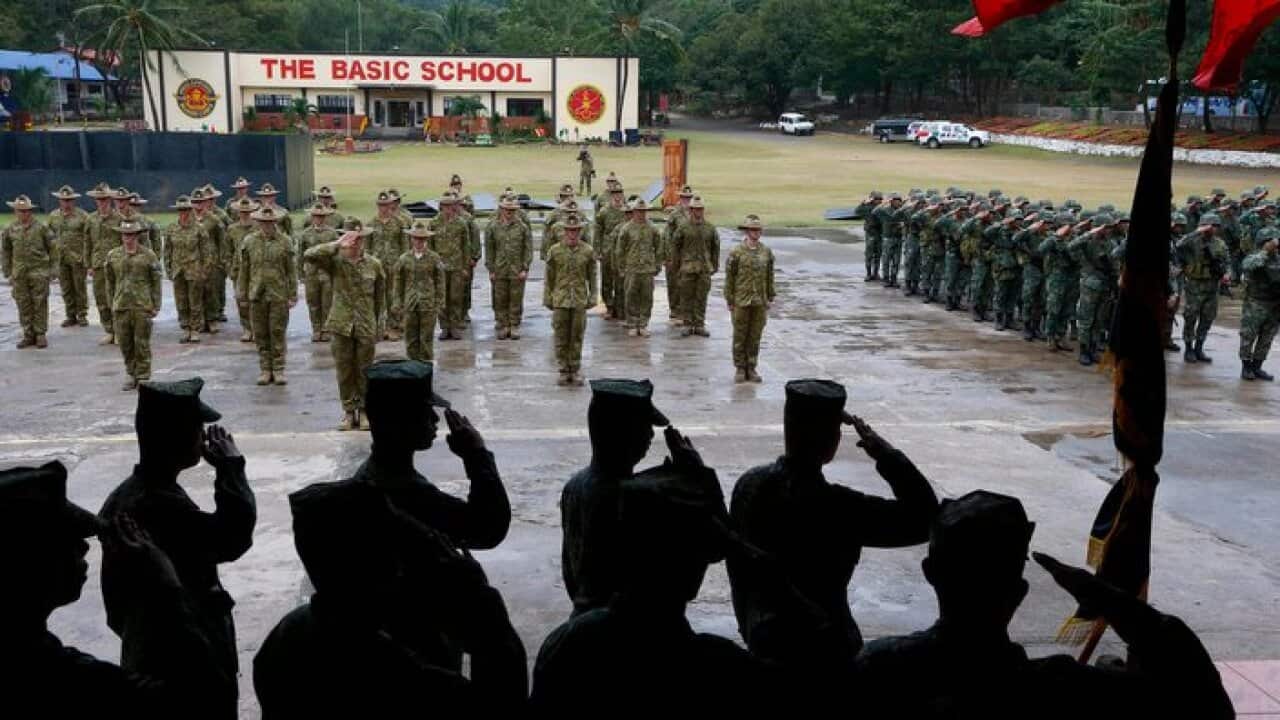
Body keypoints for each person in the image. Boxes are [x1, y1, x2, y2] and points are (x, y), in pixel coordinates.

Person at [855, 491, 1233, 719]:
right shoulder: (1064, 691)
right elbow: (1203, 701)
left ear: (930, 573)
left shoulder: (876, 670)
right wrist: (1107, 597)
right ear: (1020, 593)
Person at [534, 446, 788, 715]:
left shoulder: (565, 650)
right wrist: (765, 573)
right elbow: (817, 673)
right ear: (695, 576)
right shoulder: (723, 670)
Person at [254, 478, 527, 718]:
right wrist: (485, 614)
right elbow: (501, 706)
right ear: (380, 567)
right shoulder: (389, 674)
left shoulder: (287, 634)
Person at [0, 462, 235, 719]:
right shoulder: (55, 676)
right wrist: (165, 589)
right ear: (24, 560)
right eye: (65, 539)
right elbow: (207, 700)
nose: (84, 547)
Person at [729, 381, 938, 666]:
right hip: (828, 650)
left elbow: (739, 576)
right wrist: (884, 453)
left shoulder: (748, 486)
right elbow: (924, 517)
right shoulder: (840, 508)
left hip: (764, 639)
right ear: (832, 441)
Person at [98, 379, 255, 720]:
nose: (203, 438)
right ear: (175, 437)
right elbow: (232, 538)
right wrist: (231, 470)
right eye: (196, 429)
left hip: (152, 650)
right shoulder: (159, 505)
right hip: (184, 664)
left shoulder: (125, 496)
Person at [560, 379, 671, 615]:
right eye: (643, 426)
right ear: (621, 432)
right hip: (623, 628)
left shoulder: (574, 486)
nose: (651, 434)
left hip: (584, 618)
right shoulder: (634, 497)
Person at [304, 221, 385, 431]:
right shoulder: (335, 262)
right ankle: (349, 411)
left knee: (365, 370)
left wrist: (379, 324)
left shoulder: (374, 264)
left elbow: (380, 297)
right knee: (344, 369)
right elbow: (310, 255)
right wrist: (337, 243)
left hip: (365, 323)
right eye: (351, 239)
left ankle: (365, 410)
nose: (355, 243)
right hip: (341, 324)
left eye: (359, 239)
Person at [238, 205, 298, 386]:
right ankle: (265, 369)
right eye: (263, 222)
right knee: (261, 333)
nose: (266, 225)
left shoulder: (285, 242)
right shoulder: (249, 241)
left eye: (269, 222)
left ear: (275, 222)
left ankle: (278, 369)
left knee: (277, 332)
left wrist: (293, 294)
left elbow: (291, 271)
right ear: (258, 222)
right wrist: (242, 293)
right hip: (257, 293)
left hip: (278, 294)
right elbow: (244, 270)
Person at [105, 220, 163, 390]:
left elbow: (156, 281)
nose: (128, 238)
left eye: (131, 235)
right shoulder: (113, 255)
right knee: (125, 343)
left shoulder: (148, 255)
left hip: (142, 306)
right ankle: (131, 373)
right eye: (125, 235)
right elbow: (109, 281)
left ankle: (143, 376)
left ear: (137, 236)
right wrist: (111, 302)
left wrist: (155, 305)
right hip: (121, 305)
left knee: (142, 343)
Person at [544, 216, 597, 385]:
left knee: (576, 336)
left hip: (579, 299)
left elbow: (592, 276)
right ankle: (562, 369)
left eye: (576, 231)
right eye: (569, 231)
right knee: (560, 336)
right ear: (564, 231)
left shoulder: (587, 251)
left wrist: (593, 295)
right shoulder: (555, 251)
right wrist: (547, 297)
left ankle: (574, 368)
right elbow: (549, 277)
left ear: (580, 232)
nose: (572, 234)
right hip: (560, 300)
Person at [724, 214, 775, 383]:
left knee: (755, 335)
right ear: (746, 231)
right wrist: (729, 299)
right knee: (740, 335)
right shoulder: (736, 252)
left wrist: (770, 296)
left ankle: (751, 367)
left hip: (759, 300)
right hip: (741, 300)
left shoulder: (766, 252)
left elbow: (769, 275)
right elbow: (730, 277)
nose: (756, 233)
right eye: (753, 229)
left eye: (758, 230)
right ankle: (739, 367)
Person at [2, 194, 56, 348]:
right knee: (23, 304)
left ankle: (40, 334)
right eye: (19, 211)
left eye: (25, 211)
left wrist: (52, 270)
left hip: (39, 272)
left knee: (39, 303)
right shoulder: (10, 229)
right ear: (15, 212)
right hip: (19, 274)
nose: (23, 214)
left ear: (30, 212)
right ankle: (28, 334)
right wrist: (8, 271)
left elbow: (54, 249)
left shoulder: (41, 228)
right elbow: (6, 251)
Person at [1177, 213, 1231, 364]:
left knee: (1207, 318)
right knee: (1190, 316)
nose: (1214, 229)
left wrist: (1227, 274)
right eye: (1211, 225)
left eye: (1216, 226)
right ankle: (1188, 348)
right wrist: (1197, 231)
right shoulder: (1192, 241)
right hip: (1195, 285)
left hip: (1212, 286)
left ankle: (1199, 347)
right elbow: (1179, 245)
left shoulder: (1220, 243)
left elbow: (1227, 261)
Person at [162, 195, 213, 343]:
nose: (183, 213)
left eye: (186, 210)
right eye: (181, 210)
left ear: (190, 211)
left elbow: (206, 251)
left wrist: (205, 270)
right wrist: (169, 269)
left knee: (195, 301)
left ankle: (195, 329)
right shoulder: (172, 229)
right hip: (178, 270)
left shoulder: (199, 228)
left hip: (195, 270)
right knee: (181, 301)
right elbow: (167, 251)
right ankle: (185, 328)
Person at [394, 220, 446, 361]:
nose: (419, 242)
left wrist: (440, 302)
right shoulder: (403, 259)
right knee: (410, 339)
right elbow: (398, 282)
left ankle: (426, 367)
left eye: (422, 239)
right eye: (416, 238)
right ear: (411, 239)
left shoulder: (434, 258)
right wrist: (397, 302)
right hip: (410, 304)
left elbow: (440, 281)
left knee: (426, 338)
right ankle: (412, 367)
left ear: (426, 240)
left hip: (428, 304)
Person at [1072, 215, 1119, 366]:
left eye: (1111, 228)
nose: (1109, 230)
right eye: (1106, 228)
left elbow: (1115, 264)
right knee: (1086, 319)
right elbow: (1071, 246)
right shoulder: (1087, 240)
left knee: (1099, 319)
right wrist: (1090, 233)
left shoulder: (1110, 243)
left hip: (1106, 284)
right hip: (1090, 283)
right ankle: (1084, 350)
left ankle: (1093, 349)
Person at [670, 195, 720, 337]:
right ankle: (687, 324)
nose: (698, 212)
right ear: (691, 210)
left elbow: (715, 248)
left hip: (704, 268)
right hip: (687, 268)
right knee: (686, 297)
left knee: (701, 297)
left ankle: (699, 324)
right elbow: (676, 248)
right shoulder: (683, 228)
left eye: (700, 209)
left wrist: (714, 266)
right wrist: (676, 266)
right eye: (695, 209)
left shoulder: (710, 228)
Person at [485, 195, 533, 340]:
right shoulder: (493, 227)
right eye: (506, 209)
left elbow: (528, 249)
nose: (509, 212)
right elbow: (489, 249)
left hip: (516, 269)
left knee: (516, 298)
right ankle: (503, 325)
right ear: (501, 209)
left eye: (512, 210)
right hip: (499, 269)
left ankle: (514, 325)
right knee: (500, 298)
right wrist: (491, 269)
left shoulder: (522, 227)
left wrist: (525, 268)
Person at [616, 199, 662, 337]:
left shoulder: (652, 228)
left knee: (647, 297)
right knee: (631, 296)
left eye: (644, 211)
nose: (641, 214)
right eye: (639, 211)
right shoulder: (626, 229)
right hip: (632, 268)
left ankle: (643, 324)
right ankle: (632, 323)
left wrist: (657, 264)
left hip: (647, 269)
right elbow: (620, 250)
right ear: (634, 212)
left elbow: (659, 248)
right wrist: (621, 267)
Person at [429, 193, 471, 341]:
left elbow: (466, 246)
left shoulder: (461, 223)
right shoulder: (434, 223)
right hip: (440, 266)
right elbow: (430, 246)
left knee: (456, 297)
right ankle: (445, 327)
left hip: (457, 266)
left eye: (450, 205)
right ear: (441, 206)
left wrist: (465, 266)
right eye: (445, 205)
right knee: (442, 298)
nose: (448, 208)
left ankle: (455, 326)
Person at [48, 185, 91, 328]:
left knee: (79, 287)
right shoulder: (53, 216)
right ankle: (70, 315)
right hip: (61, 259)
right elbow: (48, 236)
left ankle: (82, 315)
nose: (66, 203)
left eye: (69, 200)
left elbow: (89, 237)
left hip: (78, 258)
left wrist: (87, 257)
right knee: (66, 288)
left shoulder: (83, 216)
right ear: (59, 201)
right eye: (63, 200)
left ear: (73, 201)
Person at [296, 204, 340, 343]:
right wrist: (300, 275)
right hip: (311, 273)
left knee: (327, 302)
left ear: (325, 217)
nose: (318, 219)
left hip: (327, 272)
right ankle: (316, 329)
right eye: (316, 216)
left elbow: (336, 254)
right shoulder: (305, 234)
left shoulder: (332, 233)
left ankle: (326, 330)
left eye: (321, 217)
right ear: (312, 217)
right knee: (313, 302)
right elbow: (300, 255)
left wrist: (336, 274)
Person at [1240, 228, 1280, 381]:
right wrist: (1265, 251)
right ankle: (1246, 367)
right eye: (1272, 241)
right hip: (1256, 303)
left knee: (1267, 338)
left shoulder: (1278, 258)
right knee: (1248, 336)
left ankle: (1257, 367)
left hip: (1275, 304)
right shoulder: (1255, 256)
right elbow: (1248, 266)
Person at [370, 190, 410, 340]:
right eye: (381, 205)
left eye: (386, 205)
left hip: (394, 265)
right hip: (377, 266)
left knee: (394, 296)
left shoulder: (399, 223)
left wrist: (403, 263)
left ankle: (395, 326)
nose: (384, 208)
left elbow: (405, 246)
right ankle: (380, 327)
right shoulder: (371, 224)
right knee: (378, 296)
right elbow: (367, 247)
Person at [86, 181, 122, 344]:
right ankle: (109, 330)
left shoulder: (120, 219)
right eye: (99, 200)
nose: (102, 202)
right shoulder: (91, 219)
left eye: (105, 199)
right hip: (98, 265)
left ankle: (120, 331)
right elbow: (88, 242)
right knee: (101, 299)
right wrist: (89, 264)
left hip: (116, 265)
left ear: (110, 200)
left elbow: (126, 240)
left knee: (117, 298)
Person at [1041, 216, 1082, 352]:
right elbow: (1041, 249)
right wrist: (1057, 237)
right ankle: (1050, 337)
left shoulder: (1077, 238)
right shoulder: (1053, 238)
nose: (1072, 228)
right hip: (1057, 277)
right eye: (1069, 225)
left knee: (1068, 309)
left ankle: (1061, 335)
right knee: (1054, 308)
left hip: (1073, 277)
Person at [192, 187, 229, 327]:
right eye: (196, 202)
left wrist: (222, 260)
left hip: (212, 259)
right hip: (194, 260)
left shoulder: (215, 219)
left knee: (212, 289)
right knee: (196, 290)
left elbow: (223, 239)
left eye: (201, 201)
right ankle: (199, 319)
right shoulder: (189, 219)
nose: (199, 205)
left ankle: (213, 317)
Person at [225, 197, 260, 343]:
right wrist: (229, 268)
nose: (245, 214)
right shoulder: (232, 229)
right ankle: (246, 328)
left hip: (255, 269)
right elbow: (227, 251)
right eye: (242, 212)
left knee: (256, 299)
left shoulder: (258, 228)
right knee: (241, 300)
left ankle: (256, 328)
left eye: (248, 212)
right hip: (238, 270)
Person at [594, 186, 628, 320]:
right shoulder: (604, 212)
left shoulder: (627, 210)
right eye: (614, 193)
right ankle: (609, 306)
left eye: (620, 193)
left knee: (621, 279)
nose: (617, 196)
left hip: (622, 250)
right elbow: (598, 231)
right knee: (607, 279)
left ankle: (621, 308)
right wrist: (597, 250)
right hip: (607, 249)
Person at [663, 185, 695, 323]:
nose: (686, 201)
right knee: (674, 283)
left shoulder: (695, 213)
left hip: (690, 255)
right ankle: (675, 311)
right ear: (680, 198)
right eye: (684, 198)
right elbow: (667, 235)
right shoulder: (674, 214)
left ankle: (686, 310)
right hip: (676, 254)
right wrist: (668, 255)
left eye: (688, 198)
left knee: (688, 283)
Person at [876, 193, 907, 287]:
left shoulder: (902, 211)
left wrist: (903, 224)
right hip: (888, 238)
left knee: (896, 261)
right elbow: (875, 211)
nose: (898, 202)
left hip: (898, 238)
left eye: (899, 201)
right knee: (886, 260)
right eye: (895, 200)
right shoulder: (885, 210)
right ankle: (886, 279)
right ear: (891, 201)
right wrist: (884, 203)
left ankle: (894, 279)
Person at [862, 191, 884, 281]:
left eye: (880, 199)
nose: (878, 201)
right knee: (869, 255)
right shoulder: (867, 208)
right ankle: (868, 273)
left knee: (878, 254)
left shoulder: (882, 208)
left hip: (879, 233)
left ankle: (876, 273)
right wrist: (863, 204)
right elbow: (857, 211)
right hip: (870, 233)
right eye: (876, 199)